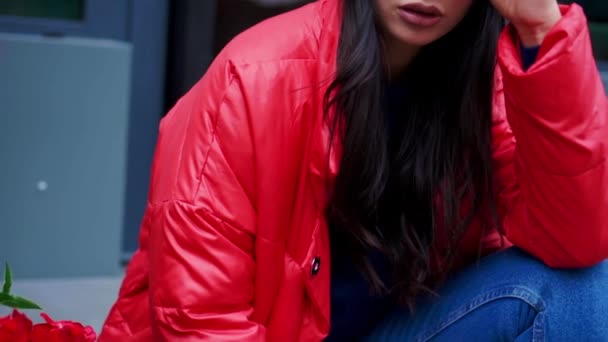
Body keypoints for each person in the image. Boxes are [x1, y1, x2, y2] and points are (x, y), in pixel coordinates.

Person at [100, 0, 608, 340]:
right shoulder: (255, 79)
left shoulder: (486, 86)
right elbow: (202, 319)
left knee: (581, 286)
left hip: (393, 328)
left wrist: (541, 27)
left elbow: (574, 240)